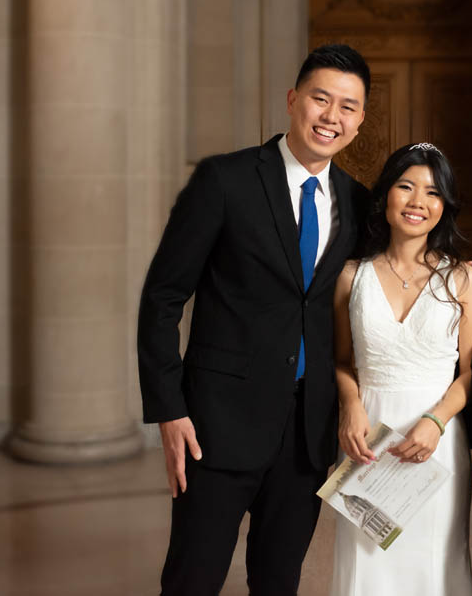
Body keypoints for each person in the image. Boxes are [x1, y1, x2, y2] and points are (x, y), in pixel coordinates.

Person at [137, 44, 373, 595]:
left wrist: (456, 281)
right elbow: (162, 298)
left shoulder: (359, 203)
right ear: (293, 101)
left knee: (277, 582)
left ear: (359, 122)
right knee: (192, 580)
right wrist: (169, 410)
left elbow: (392, 273)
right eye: (320, 99)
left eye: (347, 107)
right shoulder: (225, 180)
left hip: (308, 434)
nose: (330, 117)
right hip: (216, 425)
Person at [330, 143, 472, 596]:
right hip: (367, 439)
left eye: (433, 193)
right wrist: (350, 405)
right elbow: (341, 359)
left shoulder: (461, 280)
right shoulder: (350, 276)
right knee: (367, 564)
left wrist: (436, 421)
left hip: (435, 439)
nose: (418, 202)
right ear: (386, 196)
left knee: (432, 562)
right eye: (406, 187)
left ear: (444, 206)